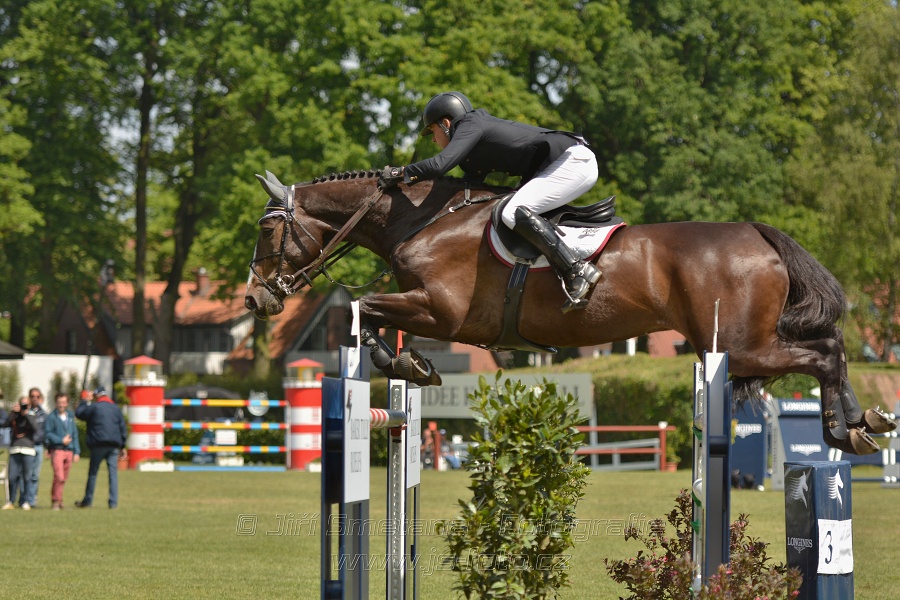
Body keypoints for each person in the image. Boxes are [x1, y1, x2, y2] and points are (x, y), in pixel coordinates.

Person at [377, 91, 601, 311]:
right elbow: (462, 191)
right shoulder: (472, 150)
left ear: (446, 123)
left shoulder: (470, 124)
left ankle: (577, 270)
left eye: (433, 131)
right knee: (509, 210)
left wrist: (399, 172)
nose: (434, 139)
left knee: (512, 212)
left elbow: (438, 165)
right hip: (562, 164)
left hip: (572, 161)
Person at [75, 388, 127, 509]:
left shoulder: (94, 407)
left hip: (98, 445)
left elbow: (79, 414)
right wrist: (123, 446)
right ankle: (113, 503)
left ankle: (88, 500)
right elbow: (122, 428)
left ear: (97, 396)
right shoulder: (115, 408)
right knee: (113, 474)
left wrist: (84, 400)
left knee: (93, 473)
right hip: (113, 445)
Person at [44, 393, 81, 510]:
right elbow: (48, 434)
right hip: (57, 450)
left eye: (64, 402)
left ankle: (59, 500)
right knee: (58, 476)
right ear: (56, 403)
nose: (61, 405)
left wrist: (77, 452)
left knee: (64, 478)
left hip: (69, 451)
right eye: (59, 402)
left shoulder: (70, 416)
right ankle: (55, 500)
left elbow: (74, 434)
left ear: (67, 403)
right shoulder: (51, 417)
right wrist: (61, 440)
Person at [2, 396, 37, 510]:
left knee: (27, 477)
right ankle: (11, 501)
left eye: (25, 404)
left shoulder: (32, 415)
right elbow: (5, 425)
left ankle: (24, 501)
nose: (23, 406)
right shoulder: (15, 416)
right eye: (22, 404)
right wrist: (13, 413)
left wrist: (26, 414)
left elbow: (35, 428)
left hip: (28, 450)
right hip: (15, 449)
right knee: (12, 476)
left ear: (29, 406)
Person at [24, 387, 47, 507]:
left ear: (40, 398)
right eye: (32, 396)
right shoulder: (25, 411)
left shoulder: (43, 413)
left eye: (37, 396)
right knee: (25, 474)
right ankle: (24, 499)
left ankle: (32, 499)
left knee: (35, 475)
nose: (35, 398)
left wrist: (47, 447)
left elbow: (45, 431)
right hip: (27, 446)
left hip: (39, 446)